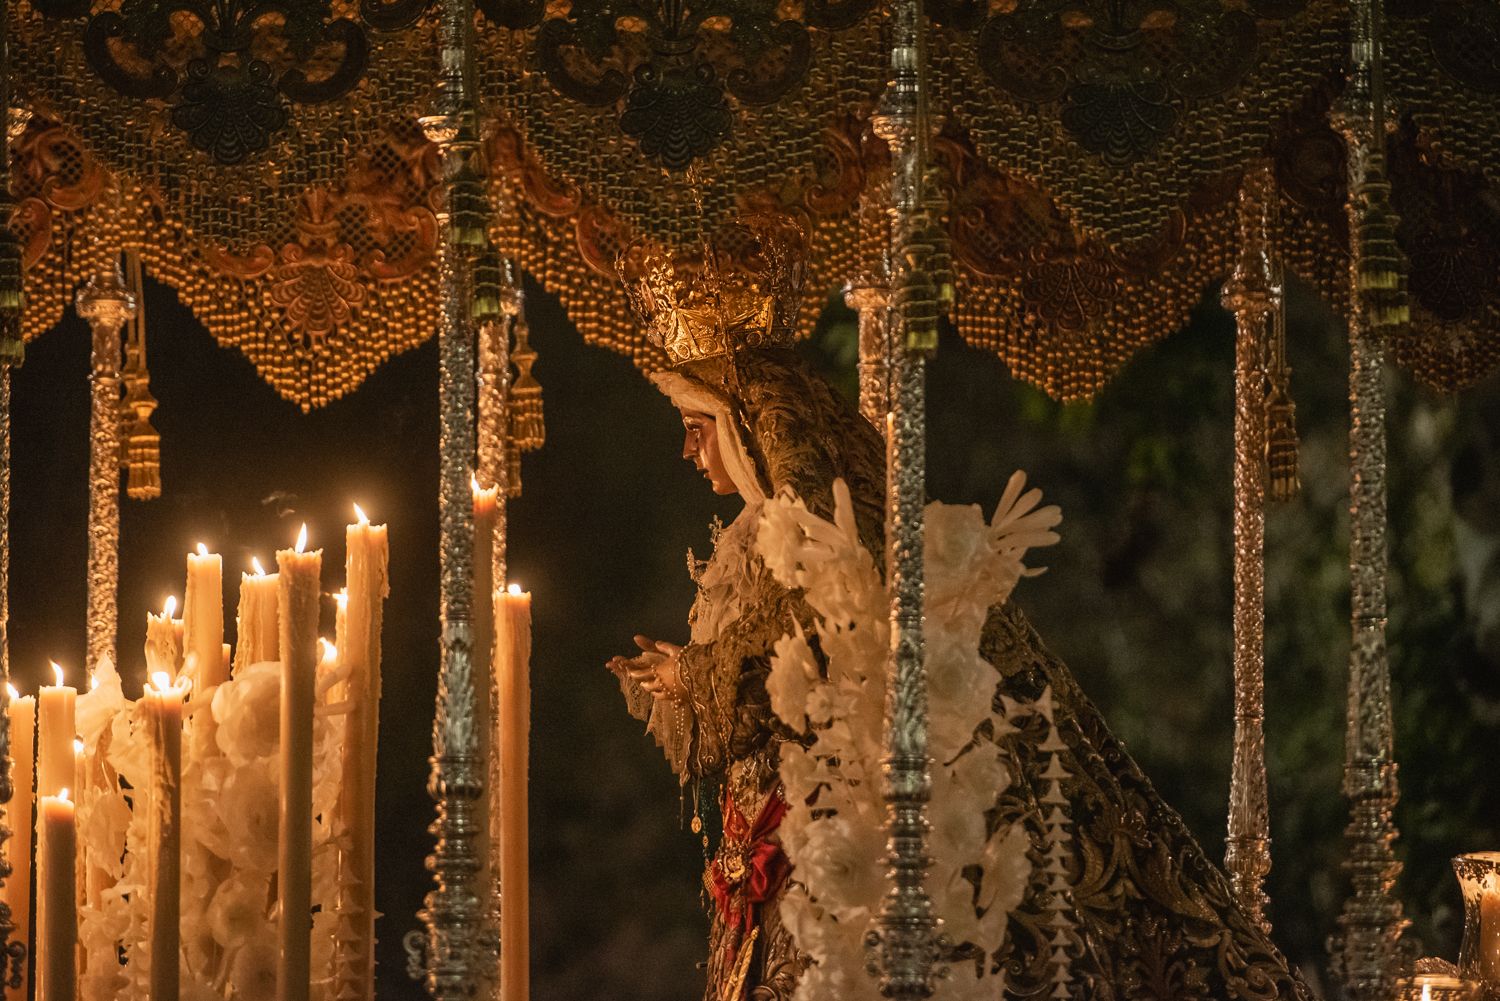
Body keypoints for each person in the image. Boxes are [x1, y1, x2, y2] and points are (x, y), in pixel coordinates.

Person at [608, 220, 1309, 1001]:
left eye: (696, 430)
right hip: (784, 845)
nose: (688, 454)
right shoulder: (748, 542)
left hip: (859, 831)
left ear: (745, 426)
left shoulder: (817, 533)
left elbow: (829, 625)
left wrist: (697, 670)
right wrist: (689, 675)